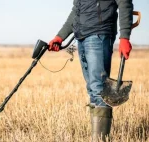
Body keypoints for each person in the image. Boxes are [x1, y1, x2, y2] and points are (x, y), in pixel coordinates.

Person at [48, 0, 133, 141]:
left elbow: (125, 3)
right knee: (92, 89)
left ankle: (99, 139)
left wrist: (124, 37)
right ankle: (98, 137)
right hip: (81, 37)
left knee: (98, 88)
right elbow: (76, 11)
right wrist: (60, 36)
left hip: (99, 34)